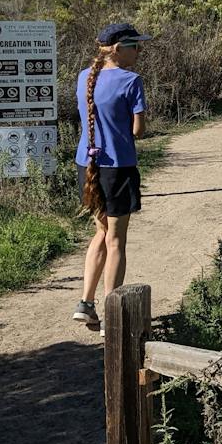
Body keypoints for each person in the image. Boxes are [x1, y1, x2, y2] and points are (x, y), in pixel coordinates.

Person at [72, 23, 151, 334]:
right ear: (118, 48)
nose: (139, 51)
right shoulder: (131, 81)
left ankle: (85, 304)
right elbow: (138, 130)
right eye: (135, 46)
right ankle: (111, 314)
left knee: (100, 233)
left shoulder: (84, 78)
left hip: (88, 165)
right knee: (116, 240)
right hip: (119, 167)